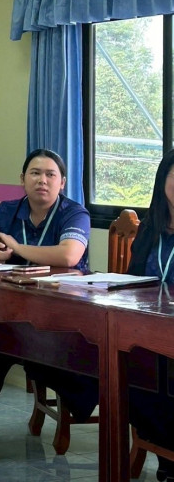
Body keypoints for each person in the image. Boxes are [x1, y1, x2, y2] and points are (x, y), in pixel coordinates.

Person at [0, 148, 91, 455]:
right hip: (12, 317)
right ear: (23, 179)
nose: (42, 180)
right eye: (35, 173)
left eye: (50, 175)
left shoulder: (74, 213)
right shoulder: (8, 211)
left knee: (74, 371)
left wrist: (17, 248)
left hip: (60, 321)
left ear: (62, 182)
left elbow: (69, 255)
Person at [125, 148, 174, 480]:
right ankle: (166, 456)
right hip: (145, 331)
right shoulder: (149, 228)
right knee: (121, 371)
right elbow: (131, 280)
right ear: (162, 180)